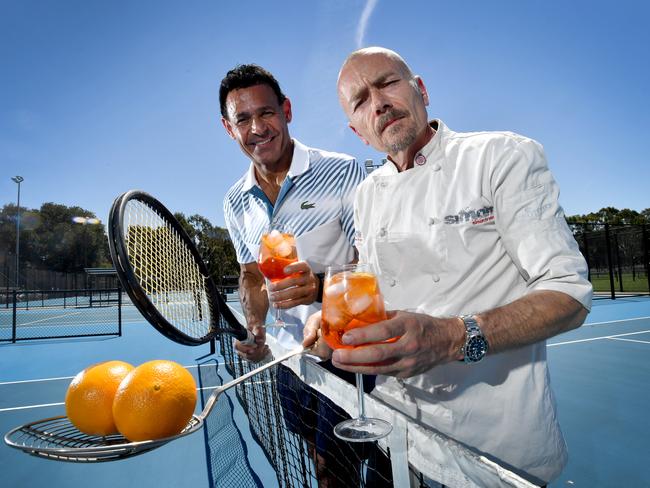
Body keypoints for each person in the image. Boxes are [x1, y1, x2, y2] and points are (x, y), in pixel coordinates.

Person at [303, 47, 592, 486]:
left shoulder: (501, 156)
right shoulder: (367, 194)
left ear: (421, 89)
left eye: (387, 83)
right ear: (358, 132)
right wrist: (333, 323)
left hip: (493, 455)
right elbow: (377, 287)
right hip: (397, 437)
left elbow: (568, 296)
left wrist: (450, 338)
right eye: (360, 100)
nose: (377, 102)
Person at [219, 64, 389, 487]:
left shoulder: (344, 172)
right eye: (243, 119)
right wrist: (256, 327)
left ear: (287, 111)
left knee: (342, 469)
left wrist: (317, 287)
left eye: (266, 113)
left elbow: (372, 262)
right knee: (313, 456)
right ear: (229, 128)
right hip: (287, 359)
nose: (257, 127)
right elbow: (252, 275)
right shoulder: (234, 202)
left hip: (345, 352)